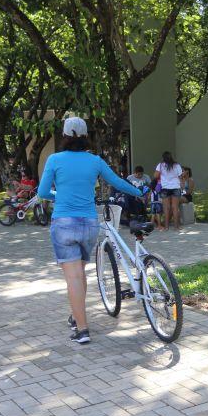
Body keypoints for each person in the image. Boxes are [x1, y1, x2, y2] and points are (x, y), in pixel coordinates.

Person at [38, 116, 146, 344]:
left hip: (64, 223)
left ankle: (82, 329)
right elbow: (117, 182)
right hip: (88, 224)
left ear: (65, 136)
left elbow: (43, 193)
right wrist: (139, 193)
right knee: (80, 273)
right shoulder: (95, 161)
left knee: (73, 277)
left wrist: (60, 195)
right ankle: (76, 315)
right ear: (86, 136)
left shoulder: (54, 160)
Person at [155, 152, 183, 232]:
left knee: (166, 208)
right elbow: (180, 176)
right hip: (175, 187)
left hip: (165, 188)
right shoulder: (177, 165)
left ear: (163, 157)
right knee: (175, 208)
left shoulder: (160, 165)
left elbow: (156, 176)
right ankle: (176, 227)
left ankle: (166, 227)